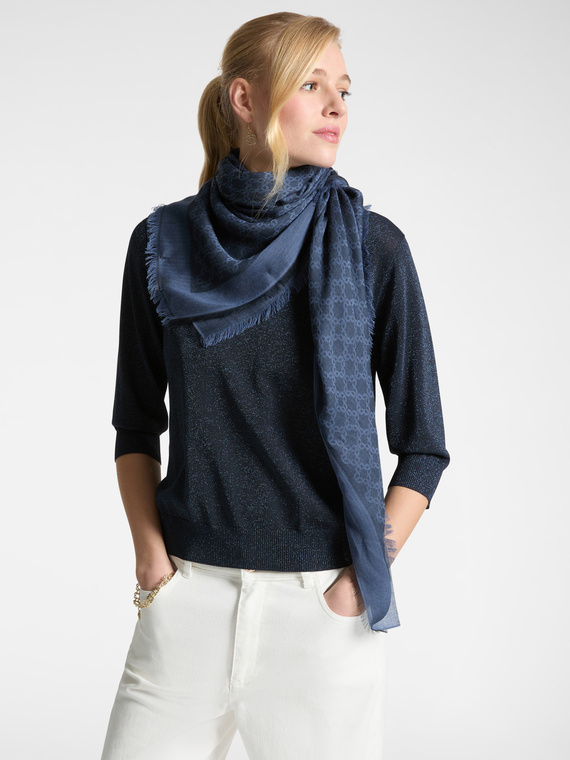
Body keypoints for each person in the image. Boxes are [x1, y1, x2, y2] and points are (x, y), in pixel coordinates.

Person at [100, 11, 450, 760]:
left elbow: (424, 447)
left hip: (319, 612)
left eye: (344, 90)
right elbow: (136, 424)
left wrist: (356, 581)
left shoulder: (373, 248)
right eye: (312, 84)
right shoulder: (161, 245)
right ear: (244, 98)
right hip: (187, 600)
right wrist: (152, 562)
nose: (336, 107)